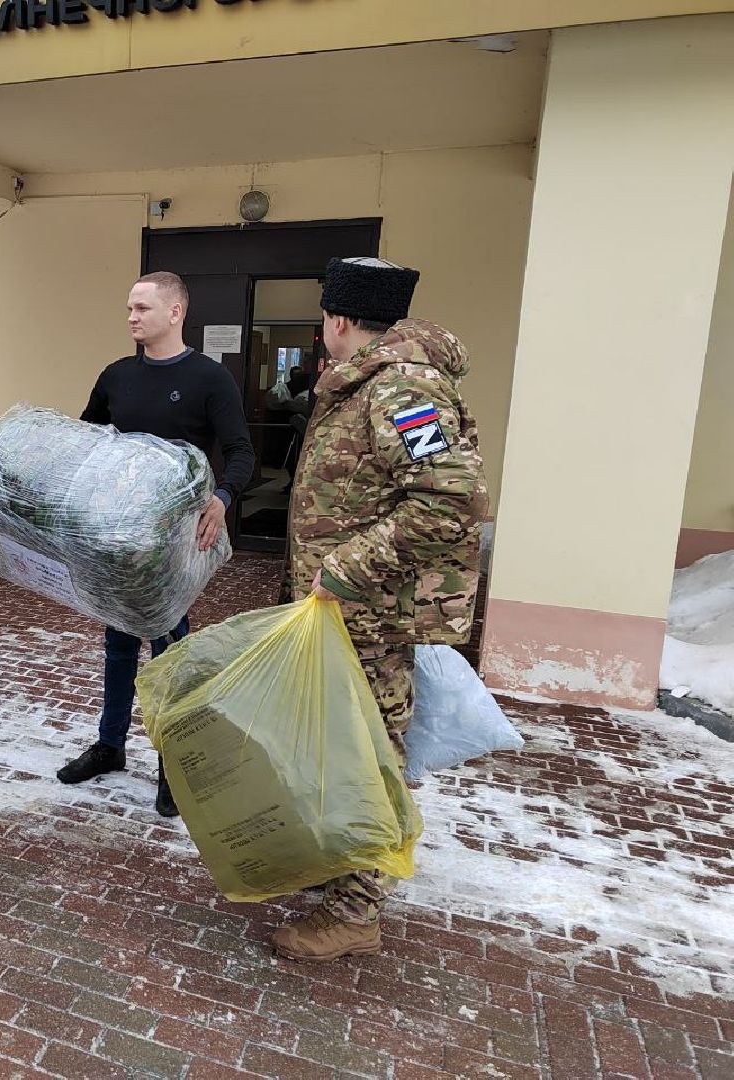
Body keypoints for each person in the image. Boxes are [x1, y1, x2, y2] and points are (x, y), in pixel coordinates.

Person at [275, 256, 487, 962]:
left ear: (337, 319)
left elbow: (450, 502)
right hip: (346, 614)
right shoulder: (364, 384)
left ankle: (357, 911)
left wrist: (344, 569)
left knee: (368, 759)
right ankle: (343, 878)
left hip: (371, 615)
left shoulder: (403, 390)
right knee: (344, 750)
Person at [57, 271, 255, 817]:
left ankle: (174, 766)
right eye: (128, 308)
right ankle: (110, 746)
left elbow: (241, 451)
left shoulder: (210, 379)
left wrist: (221, 497)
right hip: (118, 537)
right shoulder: (116, 376)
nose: (131, 317)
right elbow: (87, 443)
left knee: (170, 651)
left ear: (175, 312)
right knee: (118, 643)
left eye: (142, 307)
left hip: (175, 541)